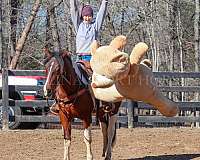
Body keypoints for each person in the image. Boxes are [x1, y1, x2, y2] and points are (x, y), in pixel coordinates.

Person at [49, 0, 108, 115]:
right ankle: (58, 102)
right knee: (64, 76)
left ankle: (103, 103)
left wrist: (104, 2)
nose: (87, 18)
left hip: (91, 58)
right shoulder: (79, 25)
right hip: (79, 58)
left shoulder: (95, 27)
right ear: (82, 16)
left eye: (89, 16)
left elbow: (101, 14)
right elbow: (73, 11)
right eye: (85, 16)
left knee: (99, 78)